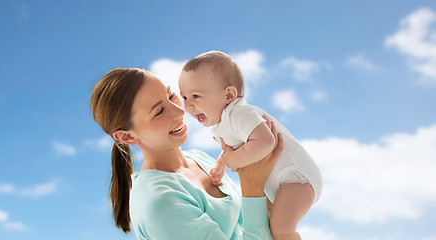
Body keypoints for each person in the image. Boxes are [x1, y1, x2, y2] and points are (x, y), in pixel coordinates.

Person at [90, 67, 284, 240]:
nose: (179, 111)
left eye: (172, 95)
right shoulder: (160, 203)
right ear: (126, 136)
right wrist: (252, 185)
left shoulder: (198, 159)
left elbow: (244, 227)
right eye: (159, 112)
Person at [178, 50, 323, 240]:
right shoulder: (222, 123)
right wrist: (222, 163)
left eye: (196, 96)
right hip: (281, 183)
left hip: (297, 179)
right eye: (184, 98)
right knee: (267, 225)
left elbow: (265, 141)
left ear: (229, 95)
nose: (188, 106)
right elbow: (236, 147)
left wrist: (232, 160)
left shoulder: (240, 114)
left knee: (281, 229)